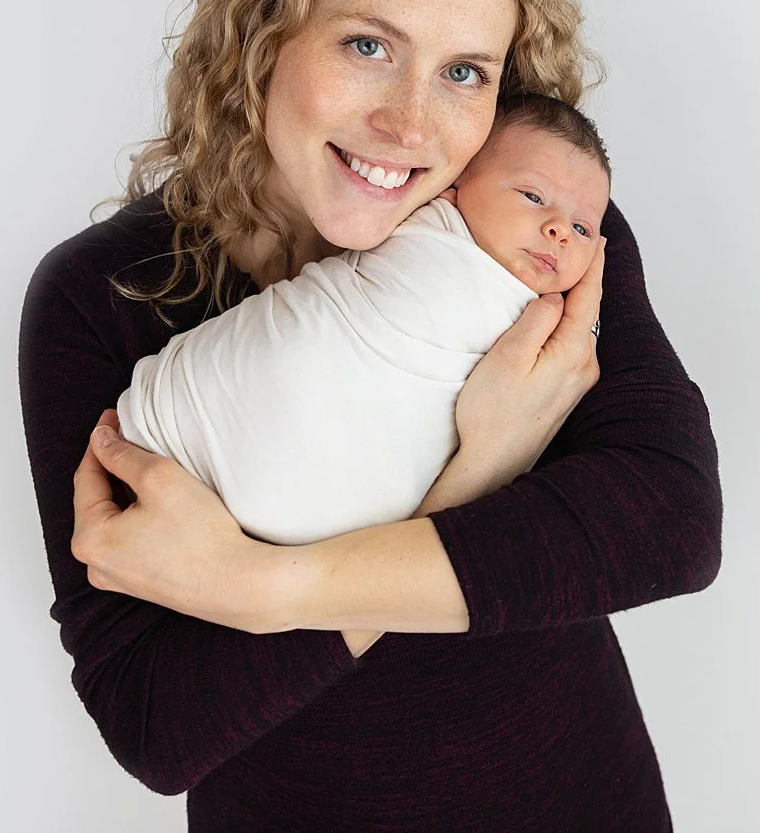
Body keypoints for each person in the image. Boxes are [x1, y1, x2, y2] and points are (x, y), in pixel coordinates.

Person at [17, 0, 721, 830]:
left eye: (464, 72)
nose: (410, 123)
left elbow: (672, 523)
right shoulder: (106, 296)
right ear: (265, 31)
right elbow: (155, 725)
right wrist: (478, 472)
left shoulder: (532, 232)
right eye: (368, 46)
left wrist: (265, 587)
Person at [115, 96, 612, 546]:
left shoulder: (565, 321)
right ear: (455, 186)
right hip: (195, 412)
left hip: (323, 531)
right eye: (532, 197)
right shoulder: (426, 218)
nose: (560, 231)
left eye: (583, 227)